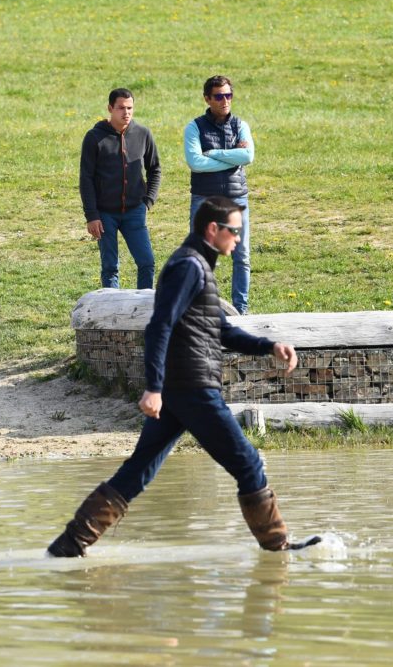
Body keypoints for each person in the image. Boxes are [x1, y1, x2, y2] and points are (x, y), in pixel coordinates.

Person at [47, 197, 319, 557]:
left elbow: (222, 331)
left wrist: (270, 346)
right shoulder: (188, 267)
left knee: (139, 470)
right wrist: (153, 387)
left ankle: (68, 546)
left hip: (180, 390)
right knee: (248, 463)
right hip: (192, 387)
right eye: (234, 230)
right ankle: (277, 547)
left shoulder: (198, 269)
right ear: (213, 230)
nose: (239, 238)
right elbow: (159, 325)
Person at [184, 75, 255, 314]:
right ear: (207, 98)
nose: (225, 101)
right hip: (205, 199)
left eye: (228, 95)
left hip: (236, 197)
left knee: (242, 256)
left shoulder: (241, 126)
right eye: (219, 96)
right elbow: (196, 163)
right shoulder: (194, 127)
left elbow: (247, 157)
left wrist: (213, 153)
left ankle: (241, 310)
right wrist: (231, 156)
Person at [79, 87, 162, 290]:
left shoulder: (143, 134)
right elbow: (86, 179)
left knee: (147, 262)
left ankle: (143, 310)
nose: (126, 113)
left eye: (130, 108)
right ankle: (111, 313)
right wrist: (92, 216)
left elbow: (155, 169)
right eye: (121, 108)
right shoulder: (94, 137)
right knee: (110, 266)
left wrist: (148, 200)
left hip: (135, 211)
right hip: (105, 214)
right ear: (110, 108)